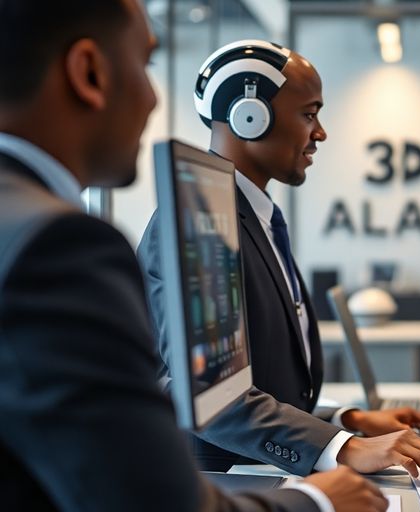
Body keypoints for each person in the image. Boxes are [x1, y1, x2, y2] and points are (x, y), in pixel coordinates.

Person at [0, 1, 385, 510]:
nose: (155, 98)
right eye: (146, 64)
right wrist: (318, 501)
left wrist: (338, 425)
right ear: (89, 72)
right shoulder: (56, 245)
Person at [137, 40, 420, 484]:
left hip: (264, 474)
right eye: (309, 114)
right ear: (250, 116)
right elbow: (204, 392)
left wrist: (346, 421)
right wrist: (342, 448)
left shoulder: (251, 217)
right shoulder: (200, 222)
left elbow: (263, 384)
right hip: (225, 482)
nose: (320, 133)